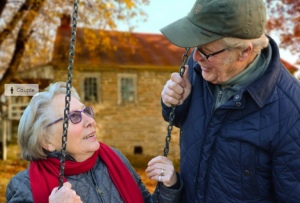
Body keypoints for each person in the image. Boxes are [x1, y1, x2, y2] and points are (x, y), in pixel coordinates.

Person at [160, 0, 300, 202]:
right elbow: (182, 121)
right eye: (194, 46)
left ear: (244, 52)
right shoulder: (200, 67)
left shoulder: (291, 113)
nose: (196, 56)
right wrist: (174, 104)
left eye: (206, 50)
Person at [6, 82, 183, 203]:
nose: (90, 120)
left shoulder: (114, 159)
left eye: (86, 111)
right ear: (47, 141)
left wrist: (169, 186)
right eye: (74, 116)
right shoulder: (24, 186)